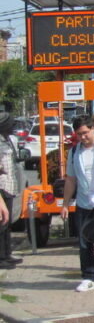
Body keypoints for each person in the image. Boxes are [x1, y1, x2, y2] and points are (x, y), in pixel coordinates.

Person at [61, 114, 94, 292]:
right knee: (84, 241)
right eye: (79, 134)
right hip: (84, 202)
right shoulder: (74, 152)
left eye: (85, 133)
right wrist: (65, 204)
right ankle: (88, 277)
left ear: (93, 129)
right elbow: (71, 179)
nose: (83, 137)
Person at [0, 113, 22, 270]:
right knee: (2, 222)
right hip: (2, 186)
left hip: (10, 186)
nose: (12, 129)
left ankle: (7, 253)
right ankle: (1, 257)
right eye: (10, 126)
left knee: (7, 224)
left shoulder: (7, 141)